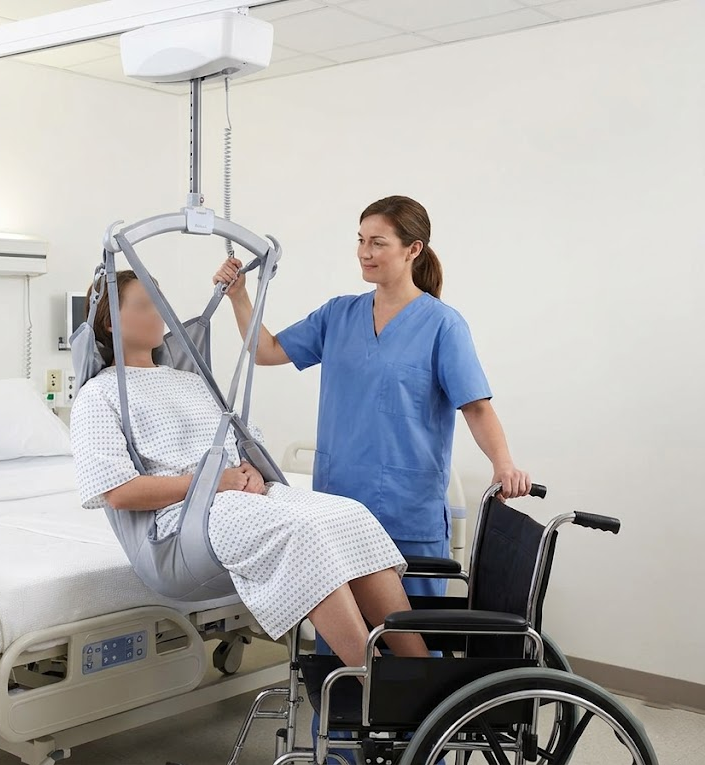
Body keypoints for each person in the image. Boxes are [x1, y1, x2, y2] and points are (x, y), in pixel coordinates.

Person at [214, 195, 532, 762]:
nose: (364, 252)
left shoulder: (440, 324)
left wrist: (503, 464)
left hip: (406, 517)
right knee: (346, 667)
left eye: (378, 242)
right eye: (360, 240)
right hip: (337, 517)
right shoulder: (339, 314)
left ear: (414, 250)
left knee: (409, 672)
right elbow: (265, 350)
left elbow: (476, 406)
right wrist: (239, 295)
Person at [69, 270, 430, 671]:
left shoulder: (190, 381)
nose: (160, 313)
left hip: (239, 495)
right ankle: (376, 683)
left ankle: (423, 672)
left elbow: (241, 442)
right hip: (183, 522)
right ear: (110, 322)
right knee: (300, 533)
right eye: (144, 305)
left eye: (160, 301)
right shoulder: (98, 396)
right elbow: (118, 492)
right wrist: (215, 483)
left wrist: (251, 472)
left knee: (349, 515)